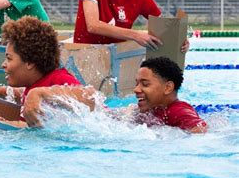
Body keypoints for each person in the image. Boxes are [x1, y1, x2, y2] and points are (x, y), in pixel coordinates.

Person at [23, 56, 207, 133]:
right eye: (136, 84)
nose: (136, 90)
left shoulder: (178, 110)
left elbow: (201, 131)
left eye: (145, 84)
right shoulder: (144, 110)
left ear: (168, 88)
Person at [0, 16, 87, 127]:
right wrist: (3, 91)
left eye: (9, 58)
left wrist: (39, 93)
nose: (3, 64)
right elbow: (27, 94)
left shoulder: (59, 78)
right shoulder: (34, 84)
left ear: (30, 62)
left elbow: (90, 96)